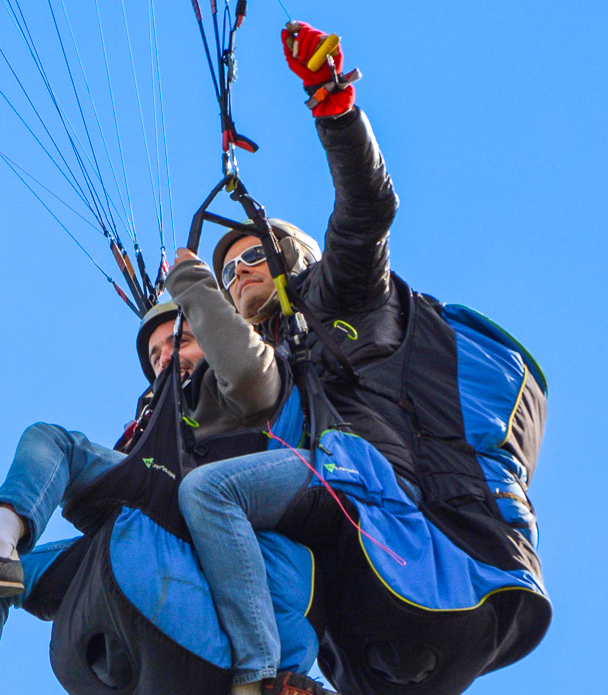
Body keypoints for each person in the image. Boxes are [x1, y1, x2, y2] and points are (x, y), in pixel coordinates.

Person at [176, 21, 551, 695]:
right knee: (221, 523)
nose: (240, 273)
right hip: (374, 629)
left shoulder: (340, 294)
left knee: (213, 493)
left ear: (290, 257)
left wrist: (333, 102)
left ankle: (262, 674)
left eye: (253, 254)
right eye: (227, 273)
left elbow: (368, 208)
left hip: (397, 522)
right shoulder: (262, 362)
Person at [0, 234, 312, 694]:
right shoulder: (153, 419)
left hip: (190, 500)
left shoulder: (235, 380)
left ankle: (257, 674)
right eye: (155, 356)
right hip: (145, 508)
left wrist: (192, 285)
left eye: (180, 342)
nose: (165, 359)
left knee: (60, 443)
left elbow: (251, 375)